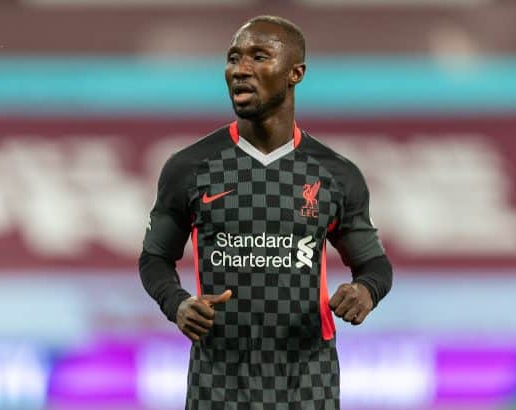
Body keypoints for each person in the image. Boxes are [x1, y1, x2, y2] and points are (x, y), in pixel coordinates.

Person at [139, 15, 393, 410]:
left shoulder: (335, 174)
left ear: (296, 73)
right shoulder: (190, 168)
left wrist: (365, 292)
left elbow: (374, 265)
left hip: (308, 387)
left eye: (259, 57)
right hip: (216, 388)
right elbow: (155, 258)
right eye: (233, 58)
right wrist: (177, 304)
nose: (241, 70)